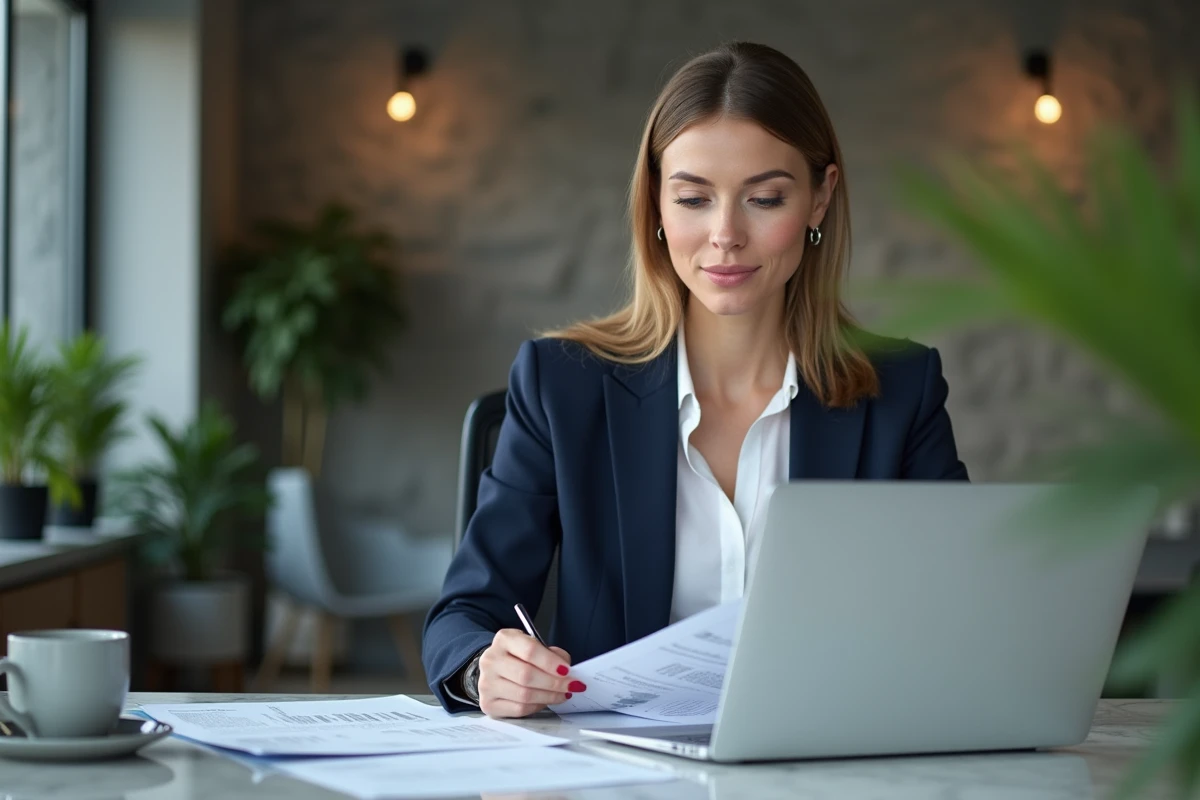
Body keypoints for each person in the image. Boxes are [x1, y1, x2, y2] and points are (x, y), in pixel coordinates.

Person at [423, 41, 969, 719]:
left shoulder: (902, 390)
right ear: (655, 202)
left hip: (827, 766)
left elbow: (959, 614)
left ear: (821, 198)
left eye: (765, 198)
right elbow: (464, 615)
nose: (725, 235)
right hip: (615, 775)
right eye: (692, 198)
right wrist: (486, 671)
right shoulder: (560, 385)